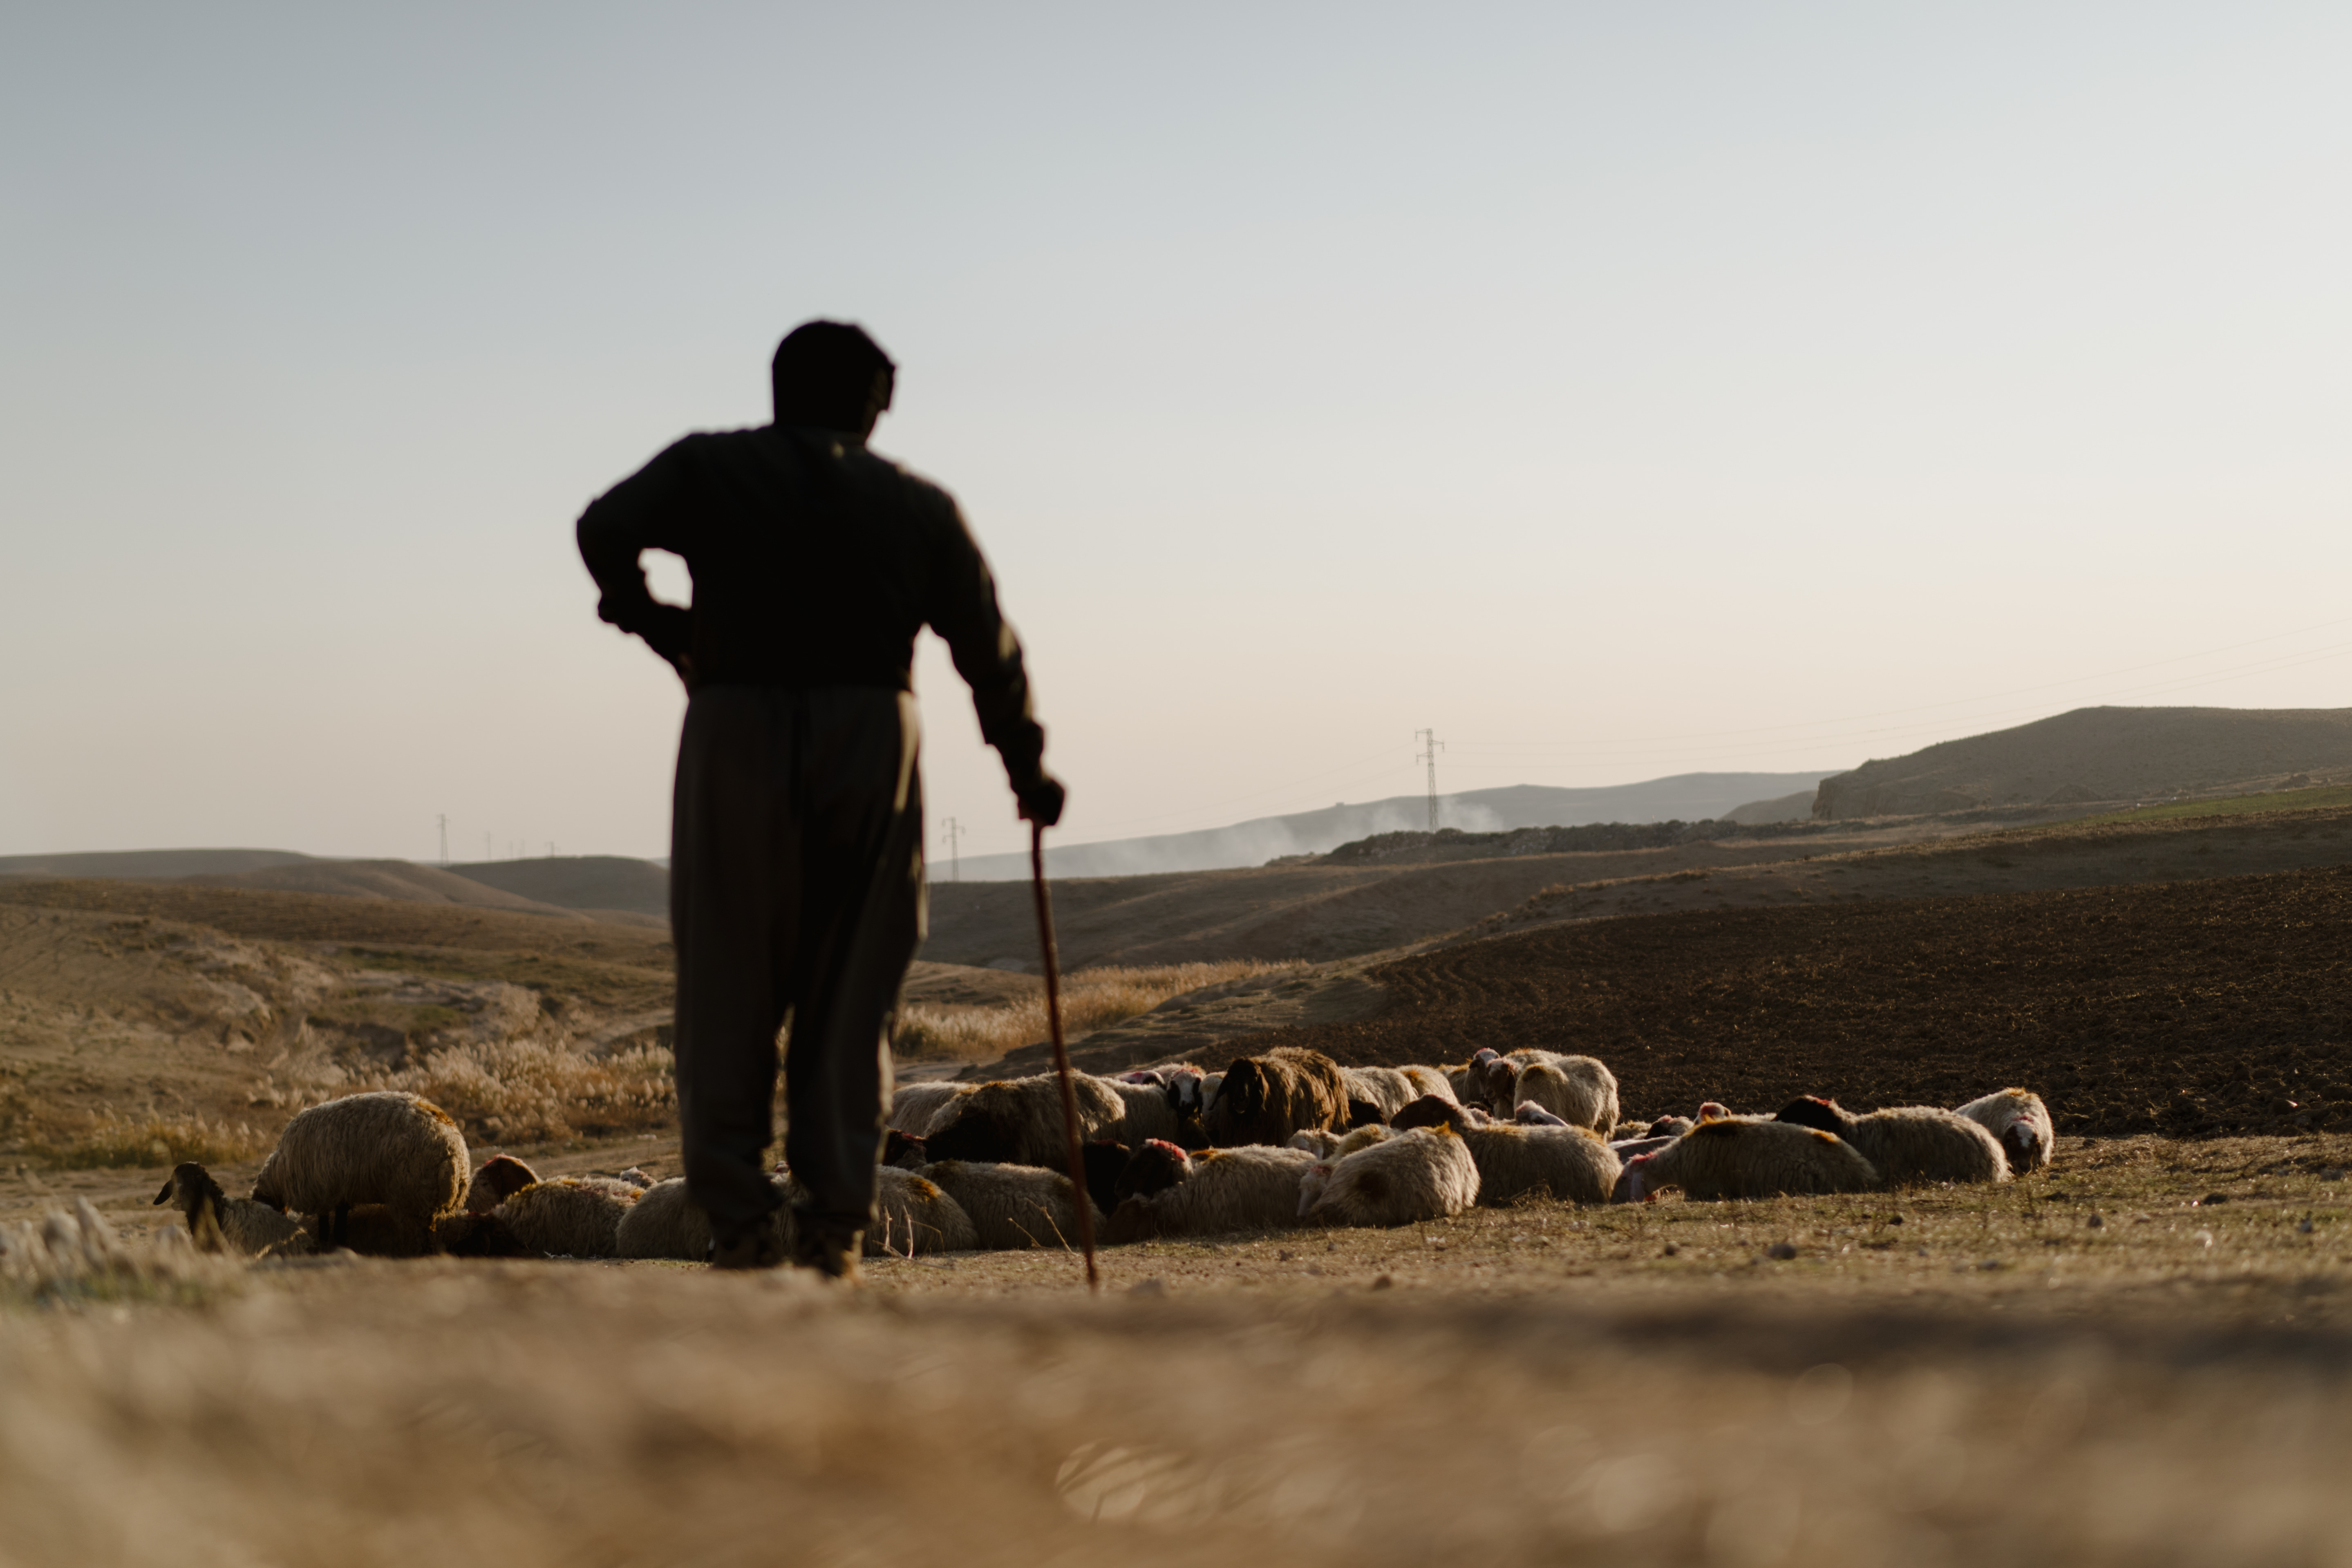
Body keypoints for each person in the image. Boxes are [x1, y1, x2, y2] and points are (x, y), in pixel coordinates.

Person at [575, 321, 1064, 1278]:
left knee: (726, 974)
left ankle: (742, 1224)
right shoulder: (916, 505)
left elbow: (600, 529)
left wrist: (654, 621)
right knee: (853, 987)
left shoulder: (710, 469)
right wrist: (1024, 764)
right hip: (870, 734)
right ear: (867, 397)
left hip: (734, 726)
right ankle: (835, 1221)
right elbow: (987, 647)